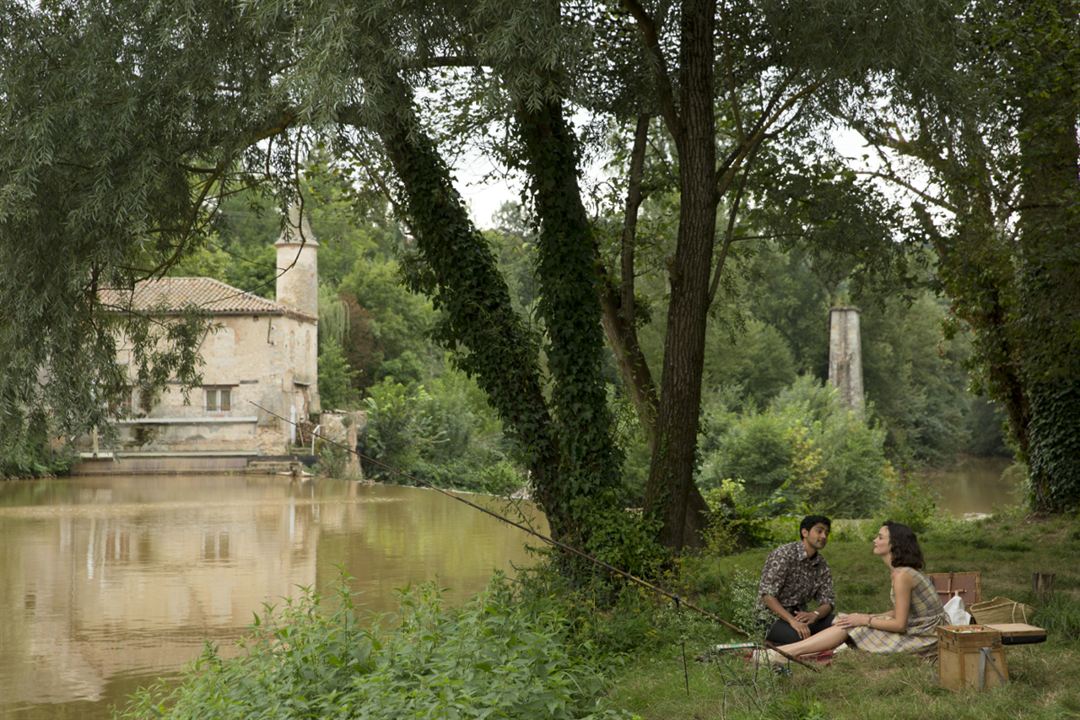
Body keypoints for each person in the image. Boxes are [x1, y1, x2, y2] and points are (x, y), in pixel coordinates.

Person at [764, 520, 948, 661]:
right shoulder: (903, 572)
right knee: (848, 621)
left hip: (925, 636)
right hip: (927, 629)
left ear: (894, 544)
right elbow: (902, 611)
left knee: (852, 625)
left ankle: (780, 654)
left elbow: (900, 624)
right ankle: (785, 653)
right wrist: (866, 616)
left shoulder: (902, 575)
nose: (874, 540)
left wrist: (865, 619)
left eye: (880, 537)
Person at [757, 515, 836, 645]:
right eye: (819, 531)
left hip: (800, 617)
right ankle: (771, 643)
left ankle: (812, 641)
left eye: (826, 533)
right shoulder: (783, 554)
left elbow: (828, 601)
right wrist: (792, 621)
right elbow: (767, 596)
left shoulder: (822, 564)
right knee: (802, 637)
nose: (824, 536)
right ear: (804, 532)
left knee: (839, 623)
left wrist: (815, 614)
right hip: (770, 618)